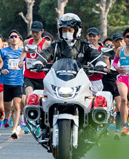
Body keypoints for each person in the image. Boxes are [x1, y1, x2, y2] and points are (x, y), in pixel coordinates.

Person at [35, 13, 105, 142]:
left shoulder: (85, 45)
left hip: (79, 82)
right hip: (59, 81)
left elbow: (95, 54)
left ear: (77, 30)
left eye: (70, 30)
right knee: (40, 99)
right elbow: (46, 53)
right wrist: (39, 62)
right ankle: (43, 126)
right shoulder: (56, 45)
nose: (67, 33)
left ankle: (91, 127)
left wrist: (100, 63)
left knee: (95, 101)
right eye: (64, 30)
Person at [0, 29, 25, 139]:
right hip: (7, 82)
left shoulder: (23, 52)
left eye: (16, 36)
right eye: (12, 37)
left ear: (19, 39)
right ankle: (7, 115)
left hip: (18, 82)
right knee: (7, 107)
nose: (14, 38)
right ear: (9, 39)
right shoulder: (3, 51)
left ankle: (15, 128)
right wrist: (1, 70)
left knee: (17, 105)